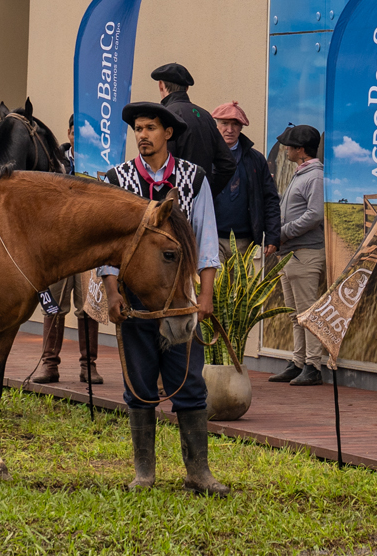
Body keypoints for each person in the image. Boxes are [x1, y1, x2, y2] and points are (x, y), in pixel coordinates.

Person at [100, 101, 228, 496]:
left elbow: (207, 240)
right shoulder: (117, 179)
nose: (142, 135)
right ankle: (144, 473)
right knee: (138, 385)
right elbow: (107, 247)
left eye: (150, 127)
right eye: (138, 128)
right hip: (135, 303)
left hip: (179, 301)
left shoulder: (194, 178)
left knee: (189, 384)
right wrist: (111, 292)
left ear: (167, 133)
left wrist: (205, 294)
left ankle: (199, 472)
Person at [31, 135, 102, 386]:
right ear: (71, 133)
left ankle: (88, 366)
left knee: (88, 307)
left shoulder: (100, 162)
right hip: (58, 248)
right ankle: (49, 364)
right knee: (52, 305)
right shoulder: (54, 162)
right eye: (76, 131)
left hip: (88, 248)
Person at [270, 124, 328, 387]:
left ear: (301, 150)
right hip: (292, 253)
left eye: (289, 146)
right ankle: (298, 361)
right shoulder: (303, 173)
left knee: (308, 312)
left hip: (305, 253)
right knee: (296, 314)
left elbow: (315, 215)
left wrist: (283, 233)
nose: (285, 149)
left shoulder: (314, 176)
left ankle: (313, 365)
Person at [150, 61, 233, 199]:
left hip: (169, 207)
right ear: (187, 88)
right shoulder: (206, 117)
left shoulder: (162, 117)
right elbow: (228, 164)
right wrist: (206, 192)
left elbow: (157, 167)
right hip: (200, 205)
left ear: (161, 85)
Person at [208, 102, 280, 262]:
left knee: (238, 287)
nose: (230, 129)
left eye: (235, 124)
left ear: (241, 127)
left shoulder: (255, 159)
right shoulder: (205, 156)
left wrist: (272, 236)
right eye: (224, 123)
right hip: (211, 238)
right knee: (212, 287)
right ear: (216, 125)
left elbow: (270, 199)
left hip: (244, 241)